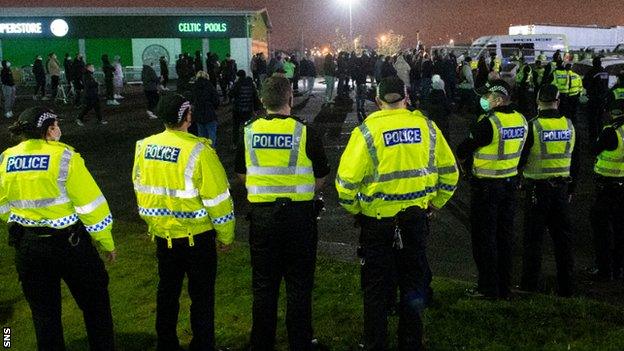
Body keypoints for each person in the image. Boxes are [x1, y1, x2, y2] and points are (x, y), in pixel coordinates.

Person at [336, 76, 459, 350]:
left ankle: (375, 343)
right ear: (406, 98)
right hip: (416, 220)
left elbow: (345, 185)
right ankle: (411, 342)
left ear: (378, 101)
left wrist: (357, 209)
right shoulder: (427, 127)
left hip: (377, 224)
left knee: (376, 289)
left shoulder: (366, 132)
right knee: (413, 285)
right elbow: (450, 174)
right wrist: (435, 203)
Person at [0, 107, 116, 350]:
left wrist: (22, 222)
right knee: (96, 307)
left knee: (44, 315)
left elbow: (2, 205)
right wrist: (106, 242)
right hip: (69, 245)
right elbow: (91, 206)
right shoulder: (65, 157)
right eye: (56, 124)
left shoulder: (6, 158)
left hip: (29, 246)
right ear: (49, 129)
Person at [133, 94, 235, 351]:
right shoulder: (199, 150)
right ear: (187, 117)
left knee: (167, 292)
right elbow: (218, 199)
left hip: (163, 236)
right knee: (201, 297)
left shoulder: (144, 146)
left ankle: (166, 344)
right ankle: (203, 345)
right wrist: (225, 235)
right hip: (197, 238)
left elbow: (140, 186)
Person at [235, 76, 330, 351]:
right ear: (290, 99)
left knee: (264, 284)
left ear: (263, 101)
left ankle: (261, 342)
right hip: (299, 218)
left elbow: (241, 173)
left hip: (263, 218)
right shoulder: (305, 132)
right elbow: (321, 175)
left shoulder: (248, 131)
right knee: (299, 284)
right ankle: (300, 341)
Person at [457, 80, 528, 299]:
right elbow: (524, 153)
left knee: (484, 239)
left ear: (497, 98)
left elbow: (463, 149)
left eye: (487, 96)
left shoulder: (489, 123)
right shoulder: (521, 119)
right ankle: (504, 287)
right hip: (509, 186)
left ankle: (487, 288)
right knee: (505, 238)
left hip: (486, 188)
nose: (484, 99)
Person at [518, 85, 578, 297]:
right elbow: (575, 160)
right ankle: (566, 287)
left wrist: (519, 181)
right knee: (563, 240)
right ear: (558, 101)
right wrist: (571, 187)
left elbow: (521, 159)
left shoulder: (533, 127)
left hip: (537, 190)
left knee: (533, 240)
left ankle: (530, 285)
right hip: (561, 190)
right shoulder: (569, 125)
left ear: (537, 102)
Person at [589, 106, 624, 281]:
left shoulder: (611, 132)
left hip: (608, 187)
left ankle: (604, 270)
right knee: (620, 228)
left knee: (602, 230)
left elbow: (593, 150)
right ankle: (618, 269)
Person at [229, 70, 260, 148]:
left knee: (236, 127)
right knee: (248, 127)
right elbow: (255, 96)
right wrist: (256, 109)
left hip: (237, 110)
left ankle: (235, 143)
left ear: (238, 76)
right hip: (248, 109)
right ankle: (248, 143)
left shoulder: (236, 84)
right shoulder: (250, 84)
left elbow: (230, 94)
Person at [583, 57, 610, 143]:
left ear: (594, 63)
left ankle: (593, 138)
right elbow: (606, 84)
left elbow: (585, 84)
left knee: (592, 118)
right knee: (600, 118)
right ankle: (600, 135)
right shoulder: (606, 72)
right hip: (602, 99)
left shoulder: (591, 72)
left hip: (593, 99)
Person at [192, 71, 220, 143]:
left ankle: (202, 151)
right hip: (209, 112)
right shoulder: (210, 85)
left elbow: (191, 100)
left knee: (201, 135)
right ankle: (211, 151)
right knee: (212, 135)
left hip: (198, 113)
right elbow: (216, 100)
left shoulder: (194, 86)